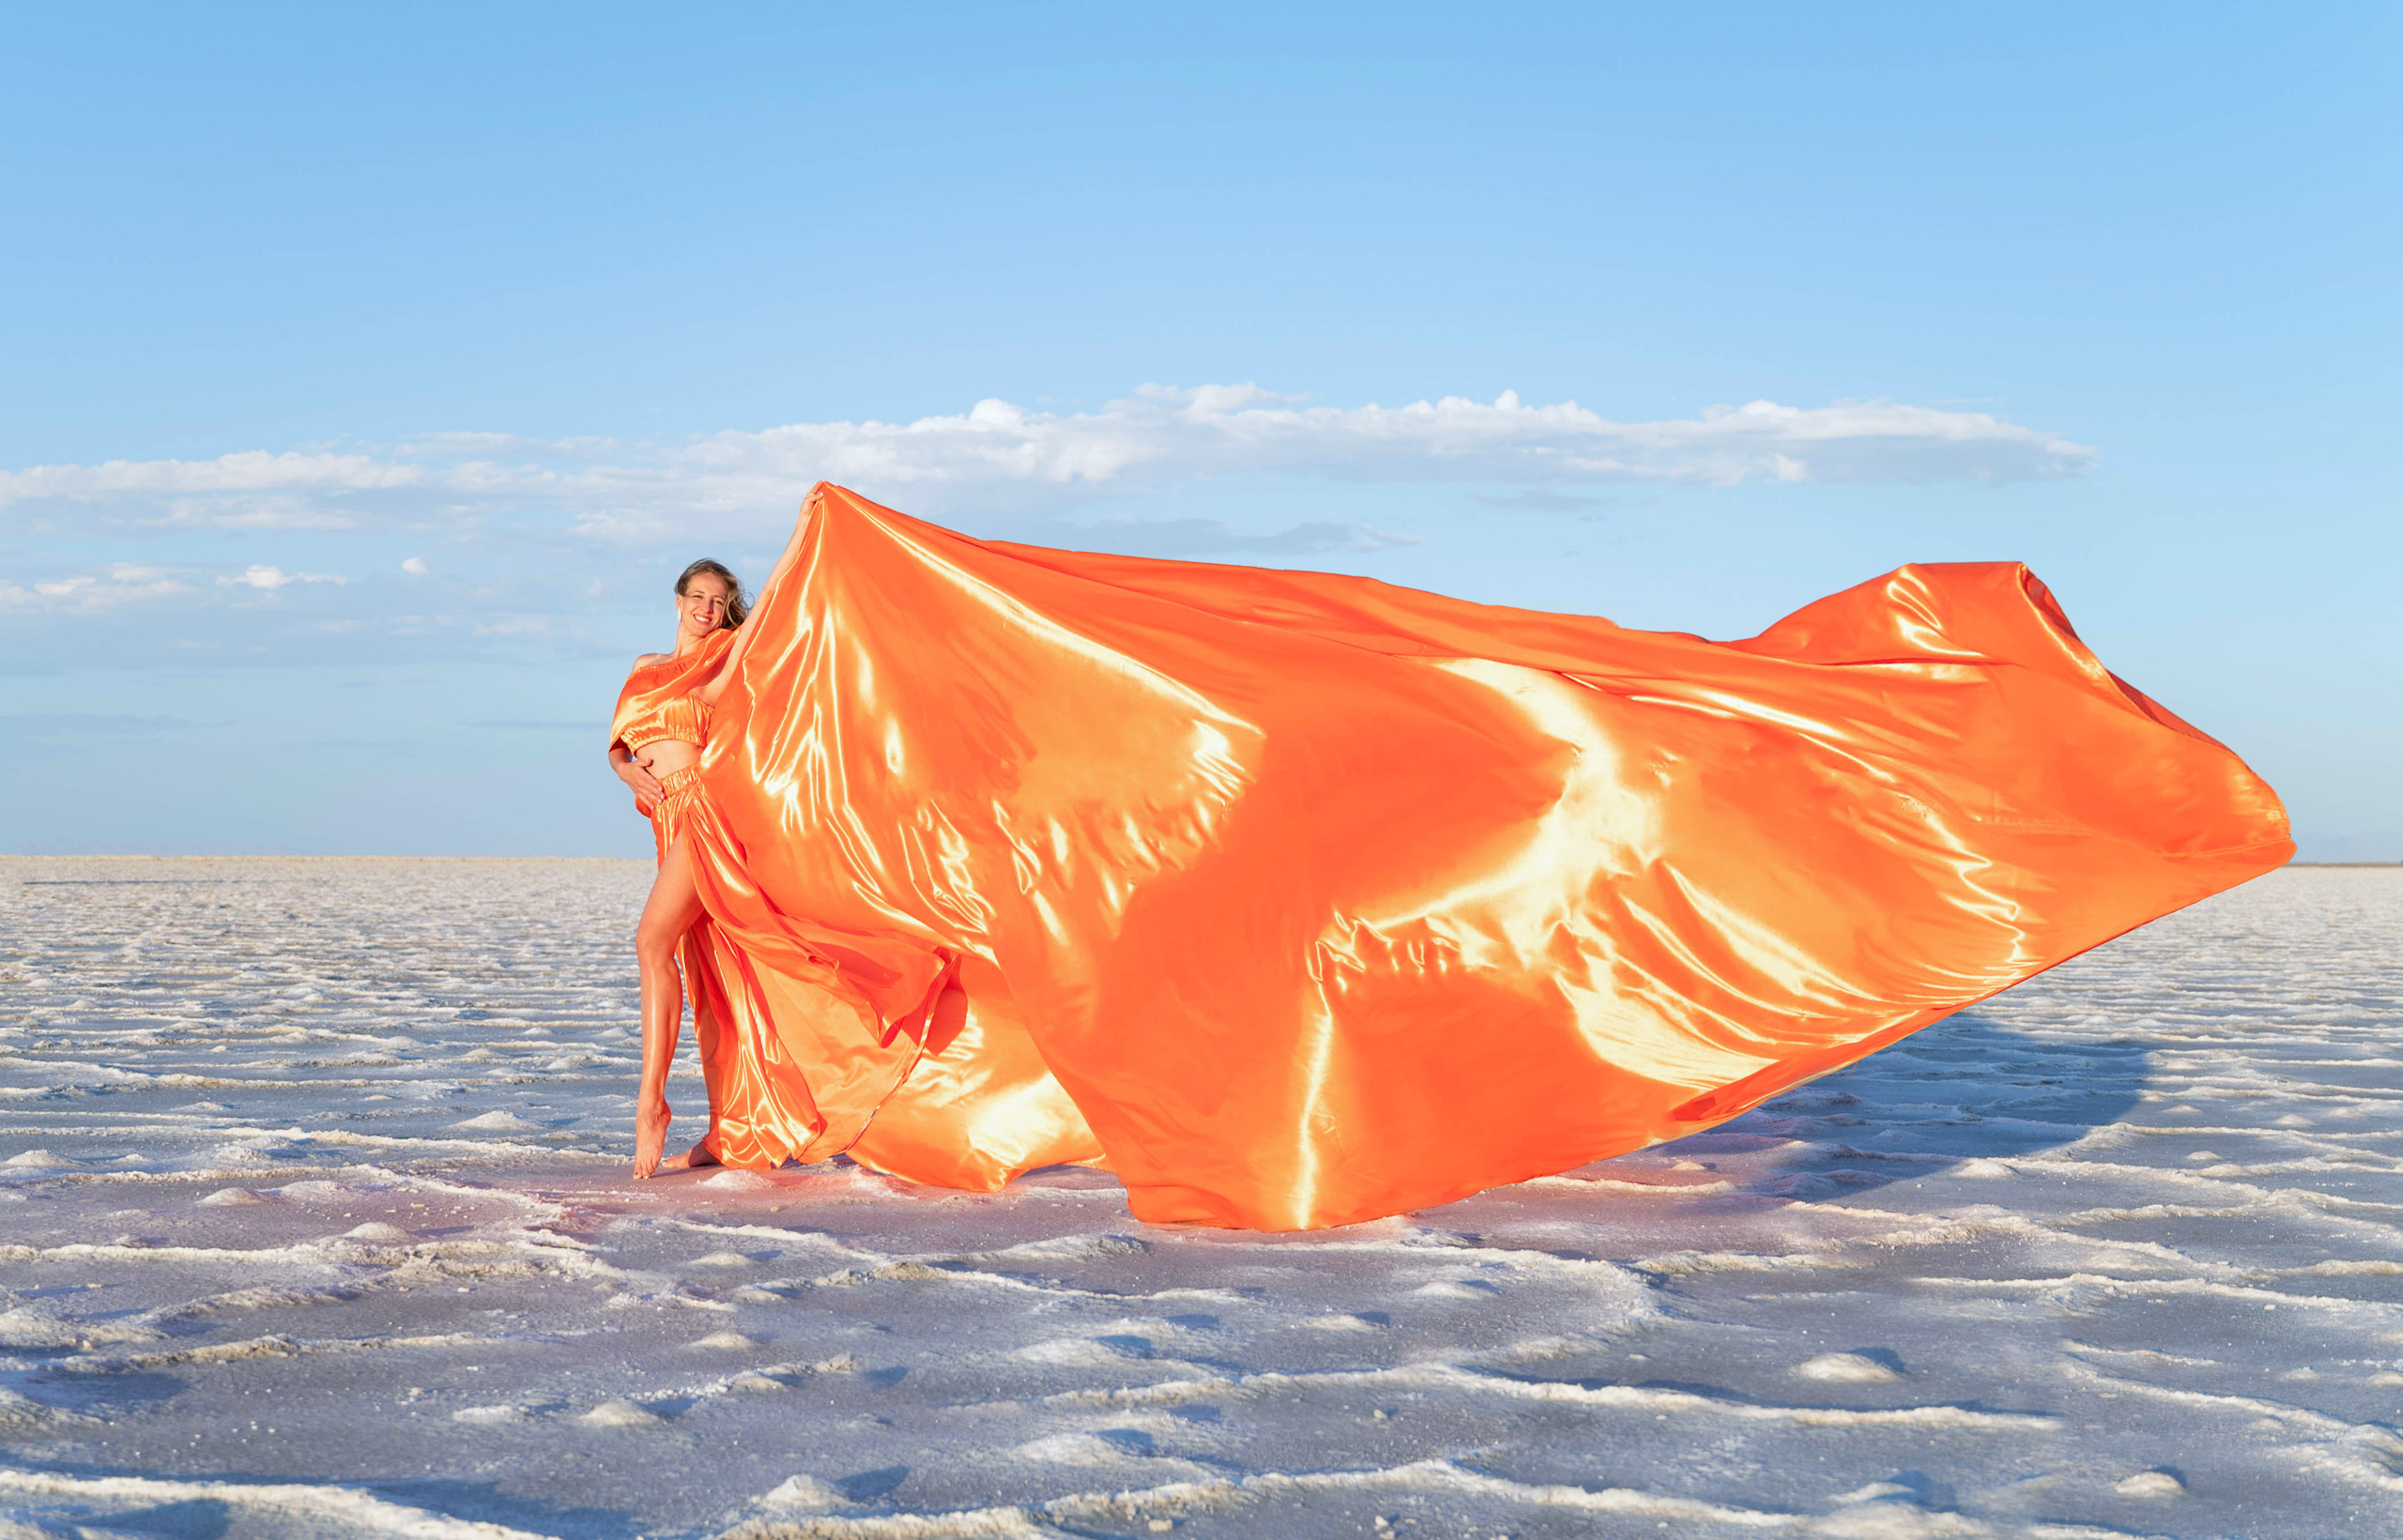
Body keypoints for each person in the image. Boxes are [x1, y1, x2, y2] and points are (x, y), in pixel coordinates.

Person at [610, 480, 2292, 1230]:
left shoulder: (772, 669)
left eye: (715, 602)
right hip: (725, 864)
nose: (703, 619)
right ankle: (672, 1117)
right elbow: (644, 761)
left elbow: (794, 726)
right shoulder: (665, 687)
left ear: (737, 606)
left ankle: (674, 1126)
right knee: (666, 946)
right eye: (691, 606)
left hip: (739, 850)